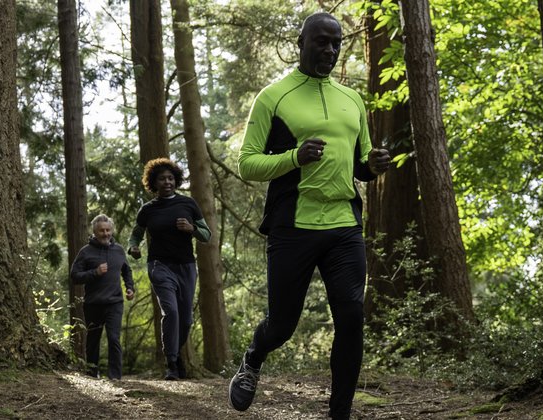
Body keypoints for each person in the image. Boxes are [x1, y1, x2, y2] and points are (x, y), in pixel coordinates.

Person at [227, 11, 392, 420]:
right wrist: (294, 158)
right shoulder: (273, 97)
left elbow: (359, 166)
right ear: (300, 42)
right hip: (293, 227)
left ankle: (340, 414)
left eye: (336, 43)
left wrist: (374, 164)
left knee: (352, 316)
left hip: (343, 226)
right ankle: (253, 357)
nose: (330, 50)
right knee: (282, 325)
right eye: (321, 41)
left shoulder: (352, 99)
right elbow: (247, 164)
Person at [127, 158, 211, 380]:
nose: (167, 182)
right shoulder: (147, 210)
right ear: (153, 183)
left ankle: (177, 356)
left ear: (176, 181)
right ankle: (171, 363)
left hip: (186, 266)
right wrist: (133, 247)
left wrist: (191, 228)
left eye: (170, 178)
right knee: (171, 312)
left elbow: (206, 234)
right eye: (162, 178)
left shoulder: (189, 204)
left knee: (185, 320)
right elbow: (136, 234)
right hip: (159, 265)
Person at [70, 214, 135, 380]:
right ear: (94, 232)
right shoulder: (86, 252)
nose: (105, 233)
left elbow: (126, 271)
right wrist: (95, 272)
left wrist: (130, 288)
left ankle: (115, 377)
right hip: (93, 303)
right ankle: (92, 374)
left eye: (108, 230)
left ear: (111, 230)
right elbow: (75, 276)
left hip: (115, 302)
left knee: (114, 339)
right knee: (93, 340)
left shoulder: (119, 250)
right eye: (101, 231)